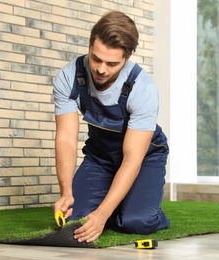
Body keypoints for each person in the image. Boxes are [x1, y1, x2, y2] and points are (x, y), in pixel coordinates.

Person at [53, 11, 170, 243]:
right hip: (100, 158)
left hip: (143, 158)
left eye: (112, 63)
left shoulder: (142, 89)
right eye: (96, 59)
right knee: (76, 219)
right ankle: (119, 202)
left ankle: (141, 208)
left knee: (136, 222)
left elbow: (132, 159)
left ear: (127, 57)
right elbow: (66, 137)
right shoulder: (69, 76)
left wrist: (104, 213)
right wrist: (66, 192)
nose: (101, 69)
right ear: (89, 45)